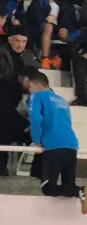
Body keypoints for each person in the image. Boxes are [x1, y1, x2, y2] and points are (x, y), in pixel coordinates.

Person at [25, 70, 87, 215]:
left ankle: (82, 191)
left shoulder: (37, 96)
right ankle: (81, 194)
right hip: (71, 145)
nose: (29, 90)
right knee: (68, 185)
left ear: (36, 84)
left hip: (54, 145)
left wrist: (36, 141)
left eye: (29, 87)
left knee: (48, 187)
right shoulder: (62, 100)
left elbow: (35, 119)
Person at [0, 25, 39, 175]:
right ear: (10, 40)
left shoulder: (28, 55)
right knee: (7, 123)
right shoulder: (2, 53)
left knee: (11, 125)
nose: (20, 45)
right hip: (4, 96)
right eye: (17, 41)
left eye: (23, 41)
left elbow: (35, 73)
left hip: (21, 98)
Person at [6, 0, 60, 69]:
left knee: (49, 26)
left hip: (37, 24)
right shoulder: (16, 2)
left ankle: (45, 59)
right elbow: (9, 13)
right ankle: (20, 56)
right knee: (16, 23)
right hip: (22, 22)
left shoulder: (42, 1)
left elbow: (46, 12)